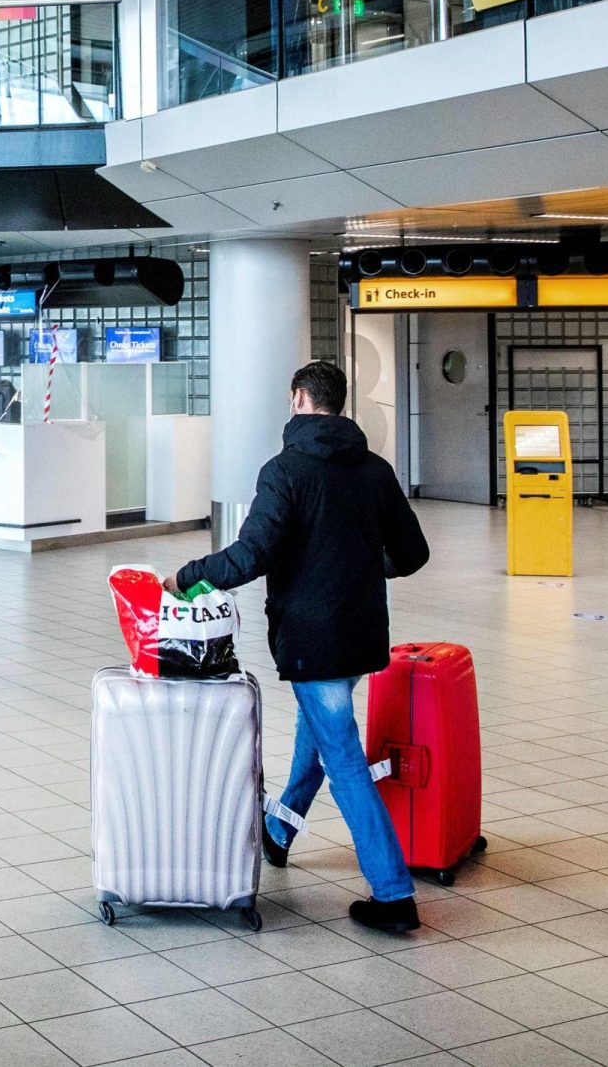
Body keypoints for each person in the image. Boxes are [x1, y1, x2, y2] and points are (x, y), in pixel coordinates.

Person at [168, 359, 430, 934]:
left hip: (314, 639)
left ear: (298, 400)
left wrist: (190, 576)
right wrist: (362, 568)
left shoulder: (284, 470)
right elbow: (412, 554)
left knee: (344, 760)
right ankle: (279, 832)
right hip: (360, 635)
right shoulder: (375, 470)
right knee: (319, 732)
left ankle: (393, 894)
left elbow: (253, 554)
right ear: (338, 403)